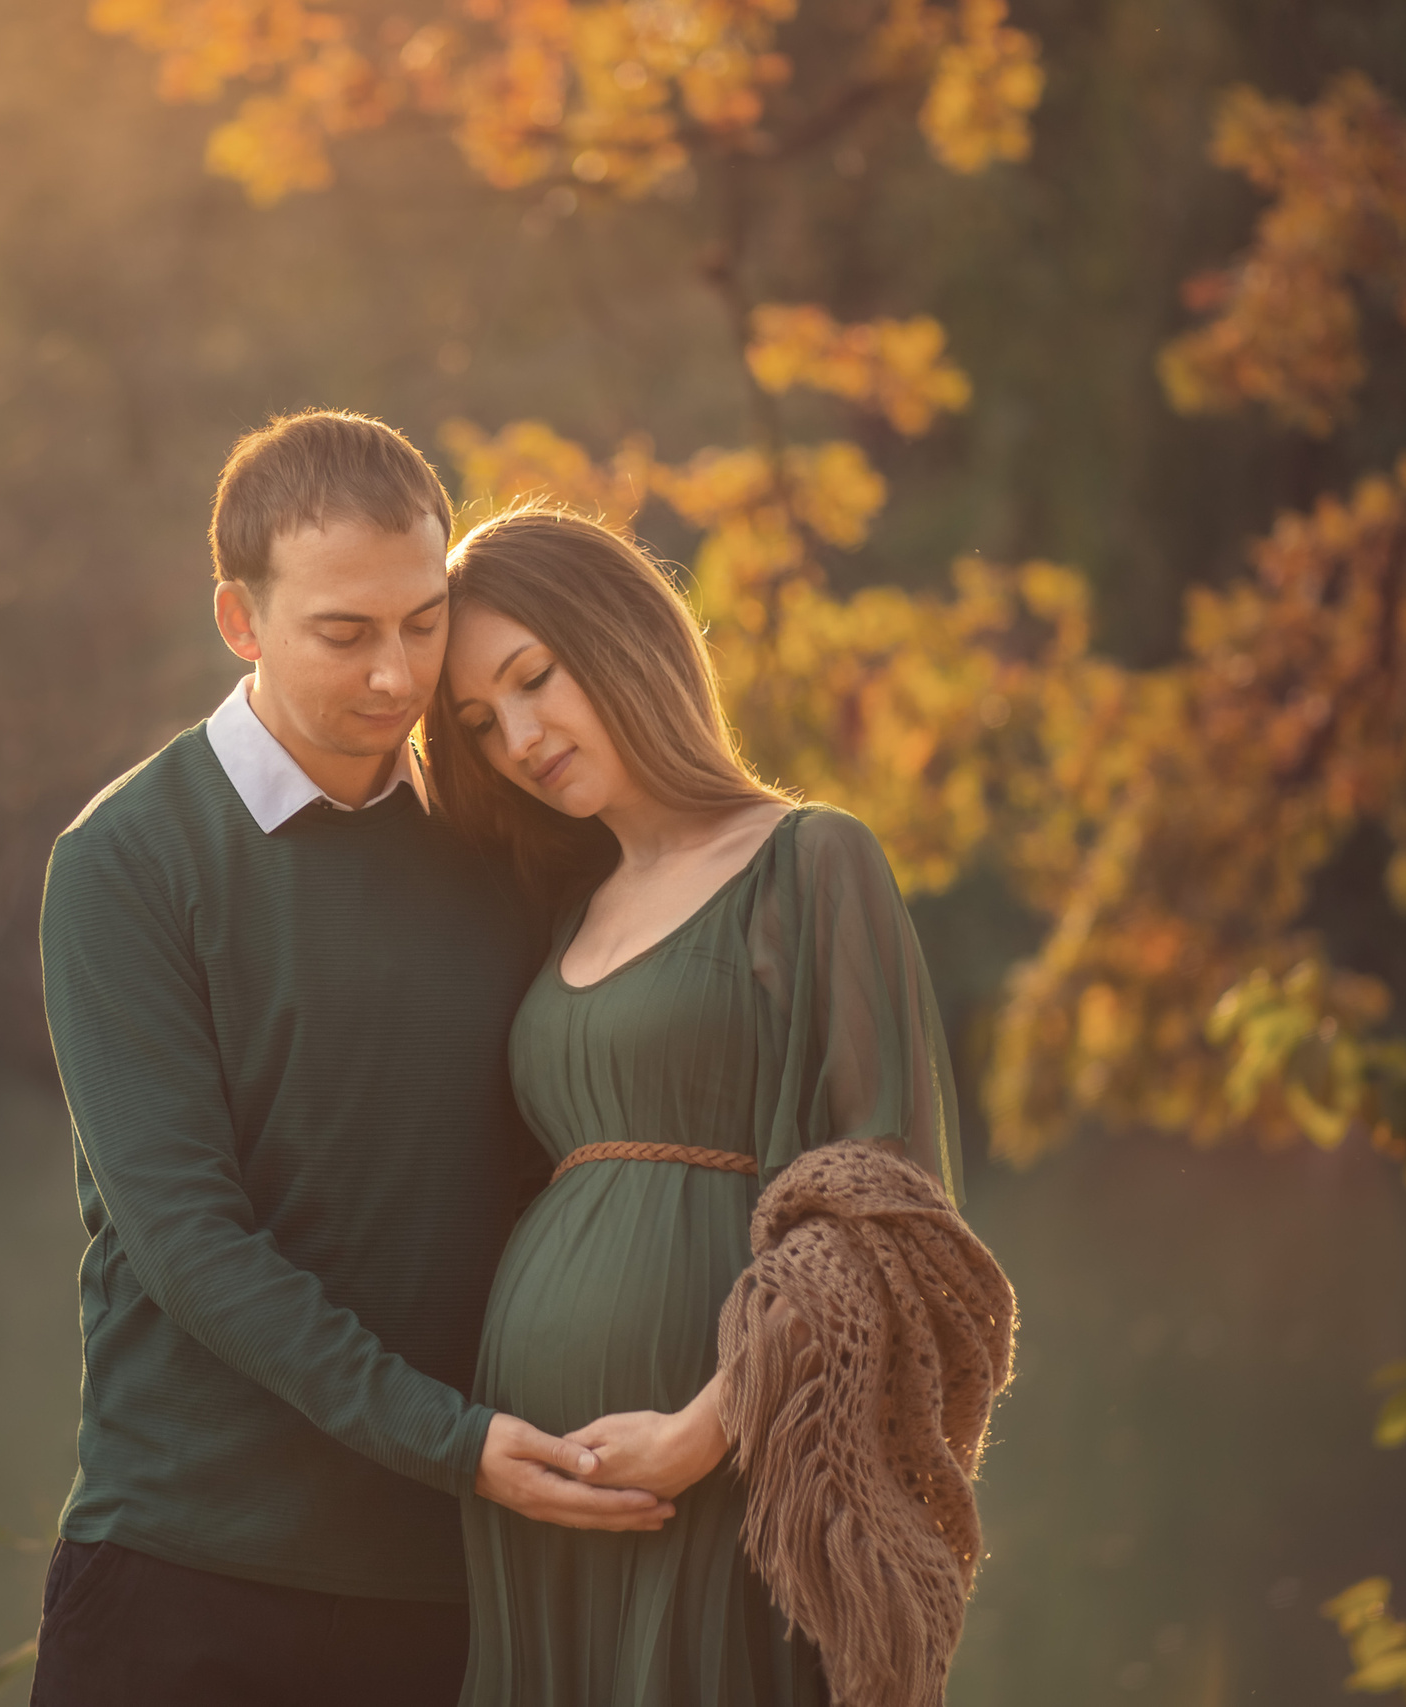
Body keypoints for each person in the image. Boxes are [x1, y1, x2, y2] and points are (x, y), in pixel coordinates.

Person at [31, 416, 671, 1707]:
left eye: (423, 623)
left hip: (447, 1585)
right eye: (345, 632)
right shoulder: (128, 860)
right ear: (239, 617)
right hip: (183, 1573)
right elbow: (188, 1236)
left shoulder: (508, 846)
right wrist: (458, 1440)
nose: (397, 676)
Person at [428, 506, 1014, 1707]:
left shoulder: (807, 862)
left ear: (623, 638)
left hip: (718, 1463)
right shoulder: (562, 910)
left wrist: (706, 1428)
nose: (520, 737)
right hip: (540, 1480)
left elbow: (881, 1204)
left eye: (533, 679)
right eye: (481, 724)